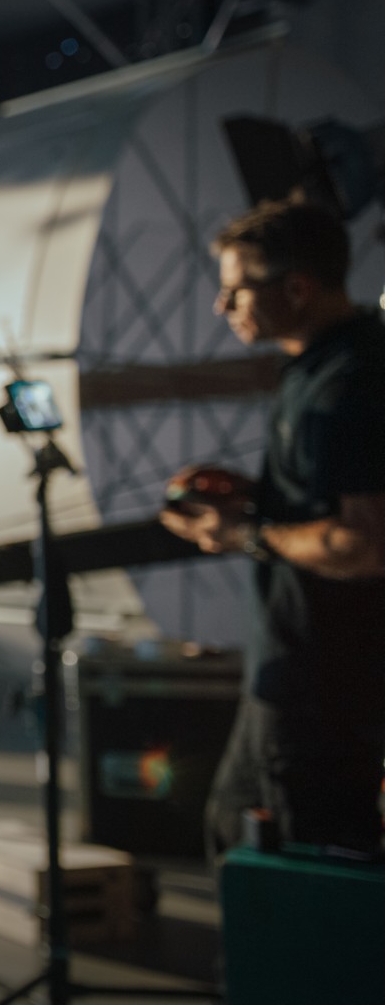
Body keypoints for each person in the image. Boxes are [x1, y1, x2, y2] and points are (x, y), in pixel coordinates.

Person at [157, 199, 385, 859]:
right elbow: (340, 495)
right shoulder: (332, 364)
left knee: (297, 865)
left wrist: (242, 534)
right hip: (310, 673)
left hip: (321, 684)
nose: (221, 306)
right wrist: (259, 495)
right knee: (237, 833)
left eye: (236, 289)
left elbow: (363, 544)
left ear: (296, 287)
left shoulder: (343, 388)